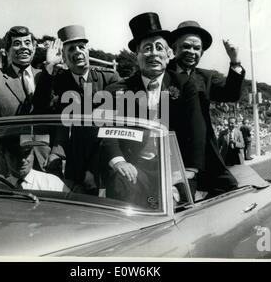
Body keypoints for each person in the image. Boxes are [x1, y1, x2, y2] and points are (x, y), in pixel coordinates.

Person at [102, 12, 206, 202]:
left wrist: (189, 170)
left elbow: (196, 127)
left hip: (175, 167)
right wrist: (119, 161)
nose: (154, 54)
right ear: (137, 55)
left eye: (159, 48)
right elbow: (106, 131)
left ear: (169, 54)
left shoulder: (185, 85)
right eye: (147, 48)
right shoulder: (116, 90)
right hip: (136, 166)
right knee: (120, 185)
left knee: (175, 202)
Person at [32, 25, 121, 191]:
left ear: (88, 51)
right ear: (64, 58)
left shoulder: (108, 78)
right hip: (73, 160)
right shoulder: (57, 81)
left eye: (82, 47)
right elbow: (40, 109)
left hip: (104, 156)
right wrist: (50, 65)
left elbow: (113, 124)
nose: (78, 52)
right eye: (71, 49)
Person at [168, 20, 245, 195]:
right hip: (173, 152)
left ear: (202, 52)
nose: (191, 52)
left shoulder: (206, 77)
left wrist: (235, 61)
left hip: (204, 152)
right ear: (174, 48)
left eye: (197, 49)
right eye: (186, 46)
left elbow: (231, 95)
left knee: (227, 186)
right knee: (182, 197)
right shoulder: (162, 74)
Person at [0, 135, 70, 192]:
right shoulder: (0, 188)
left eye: (26, 153)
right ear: (4, 156)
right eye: (16, 155)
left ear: (33, 153)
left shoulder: (51, 183)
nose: (23, 160)